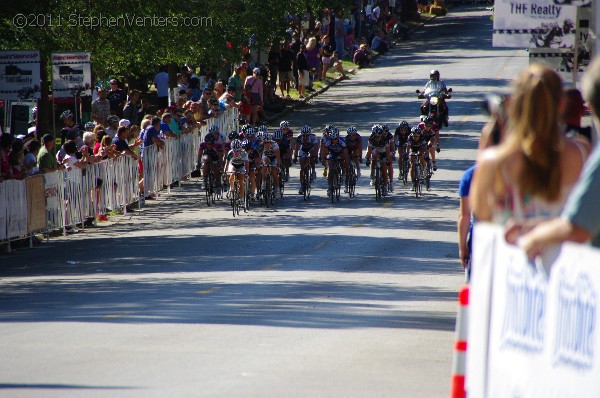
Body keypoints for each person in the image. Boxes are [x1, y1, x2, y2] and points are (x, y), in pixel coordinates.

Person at [505, 57, 600, 256]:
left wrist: (535, 235)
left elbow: (577, 227)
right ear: (563, 104)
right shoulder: (582, 151)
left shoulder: (501, 160)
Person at [470, 64, 584, 225]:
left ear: (515, 104)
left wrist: (487, 145)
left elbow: (480, 211)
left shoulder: (494, 161)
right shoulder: (579, 153)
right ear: (562, 104)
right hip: (565, 249)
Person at [321, 127, 349, 195]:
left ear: (338, 137)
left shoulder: (342, 141)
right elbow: (324, 152)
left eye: (335, 139)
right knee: (330, 170)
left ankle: (343, 175)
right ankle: (330, 187)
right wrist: (324, 159)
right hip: (332, 153)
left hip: (341, 152)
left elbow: (345, 153)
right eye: (332, 139)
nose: (334, 140)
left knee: (342, 162)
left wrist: (346, 161)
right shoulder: (328, 142)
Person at [365, 124, 392, 195]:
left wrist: (388, 160)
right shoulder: (371, 138)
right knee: (373, 157)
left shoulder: (384, 139)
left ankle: (385, 187)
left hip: (383, 150)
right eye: (375, 136)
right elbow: (369, 151)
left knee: (384, 169)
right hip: (375, 149)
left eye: (378, 136)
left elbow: (388, 152)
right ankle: (372, 175)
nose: (377, 138)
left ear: (381, 135)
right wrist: (367, 159)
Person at [294, 125, 319, 194]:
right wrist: (295, 156)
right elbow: (296, 148)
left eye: (307, 135)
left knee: (312, 157)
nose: (305, 137)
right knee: (302, 167)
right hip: (303, 149)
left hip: (311, 148)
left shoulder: (313, 137)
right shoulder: (299, 138)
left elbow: (316, 148)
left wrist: (316, 156)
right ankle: (302, 185)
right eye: (303, 135)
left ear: (309, 134)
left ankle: (313, 171)